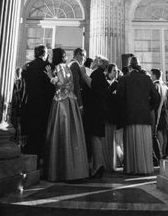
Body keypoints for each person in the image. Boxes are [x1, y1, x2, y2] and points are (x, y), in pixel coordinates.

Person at [44, 47, 89, 182]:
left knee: (62, 133)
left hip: (62, 102)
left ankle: (63, 170)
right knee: (71, 134)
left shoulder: (60, 67)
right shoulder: (67, 66)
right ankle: (73, 169)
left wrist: (51, 77)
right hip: (69, 100)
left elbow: (62, 83)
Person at [116, 56, 160, 175]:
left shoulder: (124, 79)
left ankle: (132, 168)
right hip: (145, 117)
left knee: (131, 145)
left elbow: (119, 98)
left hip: (130, 117)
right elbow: (156, 97)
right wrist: (148, 107)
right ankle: (145, 168)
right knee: (144, 145)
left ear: (129, 67)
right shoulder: (146, 78)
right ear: (139, 67)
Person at [20, 44, 55, 166]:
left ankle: (27, 162)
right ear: (45, 53)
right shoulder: (48, 66)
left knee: (30, 134)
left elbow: (23, 86)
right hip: (43, 106)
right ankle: (38, 163)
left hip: (29, 104)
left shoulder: (27, 66)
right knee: (41, 134)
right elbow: (52, 88)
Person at [85, 55, 110, 178]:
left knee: (95, 137)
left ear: (99, 63)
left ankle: (98, 166)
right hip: (99, 111)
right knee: (97, 138)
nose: (92, 62)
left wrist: (83, 75)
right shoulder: (101, 75)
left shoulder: (97, 74)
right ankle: (97, 165)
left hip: (95, 111)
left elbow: (92, 87)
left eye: (95, 60)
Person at [102, 63, 123, 171]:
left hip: (114, 116)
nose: (116, 72)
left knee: (114, 141)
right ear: (109, 72)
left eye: (117, 70)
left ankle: (113, 163)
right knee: (106, 141)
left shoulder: (118, 84)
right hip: (105, 116)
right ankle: (106, 163)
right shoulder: (105, 83)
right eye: (114, 70)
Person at [151, 68, 168, 160]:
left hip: (158, 112)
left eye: (151, 75)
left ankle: (160, 153)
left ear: (154, 75)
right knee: (164, 133)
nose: (151, 77)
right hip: (165, 112)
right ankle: (163, 152)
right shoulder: (164, 86)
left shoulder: (155, 85)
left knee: (158, 133)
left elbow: (154, 99)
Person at [8, 67, 24, 143]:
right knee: (15, 122)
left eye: (19, 72)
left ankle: (18, 139)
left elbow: (21, 92)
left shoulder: (22, 82)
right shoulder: (15, 81)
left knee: (19, 123)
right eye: (17, 72)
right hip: (15, 104)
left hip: (19, 104)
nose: (18, 74)